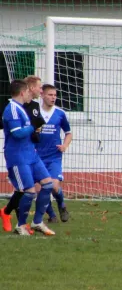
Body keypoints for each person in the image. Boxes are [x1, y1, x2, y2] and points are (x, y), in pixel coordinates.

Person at [2, 80, 55, 236]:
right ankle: (21, 225)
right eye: (27, 92)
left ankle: (37, 221)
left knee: (47, 184)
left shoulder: (21, 108)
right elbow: (17, 133)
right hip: (18, 156)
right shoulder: (11, 109)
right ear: (22, 92)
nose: (29, 95)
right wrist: (33, 126)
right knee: (29, 191)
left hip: (31, 154)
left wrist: (34, 132)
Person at [36, 84, 72, 223]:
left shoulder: (60, 113)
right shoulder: (35, 112)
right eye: (50, 95)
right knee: (40, 190)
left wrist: (65, 145)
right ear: (42, 95)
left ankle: (62, 205)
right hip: (37, 156)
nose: (53, 98)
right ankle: (52, 216)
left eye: (55, 95)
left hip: (54, 156)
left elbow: (68, 133)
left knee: (54, 187)